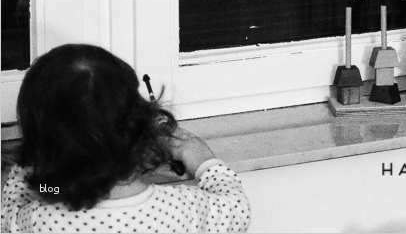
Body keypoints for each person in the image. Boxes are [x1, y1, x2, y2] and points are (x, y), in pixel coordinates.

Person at [1, 44, 250, 233]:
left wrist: (35, 172)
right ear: (139, 126)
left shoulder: (38, 221)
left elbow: (10, 210)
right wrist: (204, 161)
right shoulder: (181, 209)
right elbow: (238, 209)